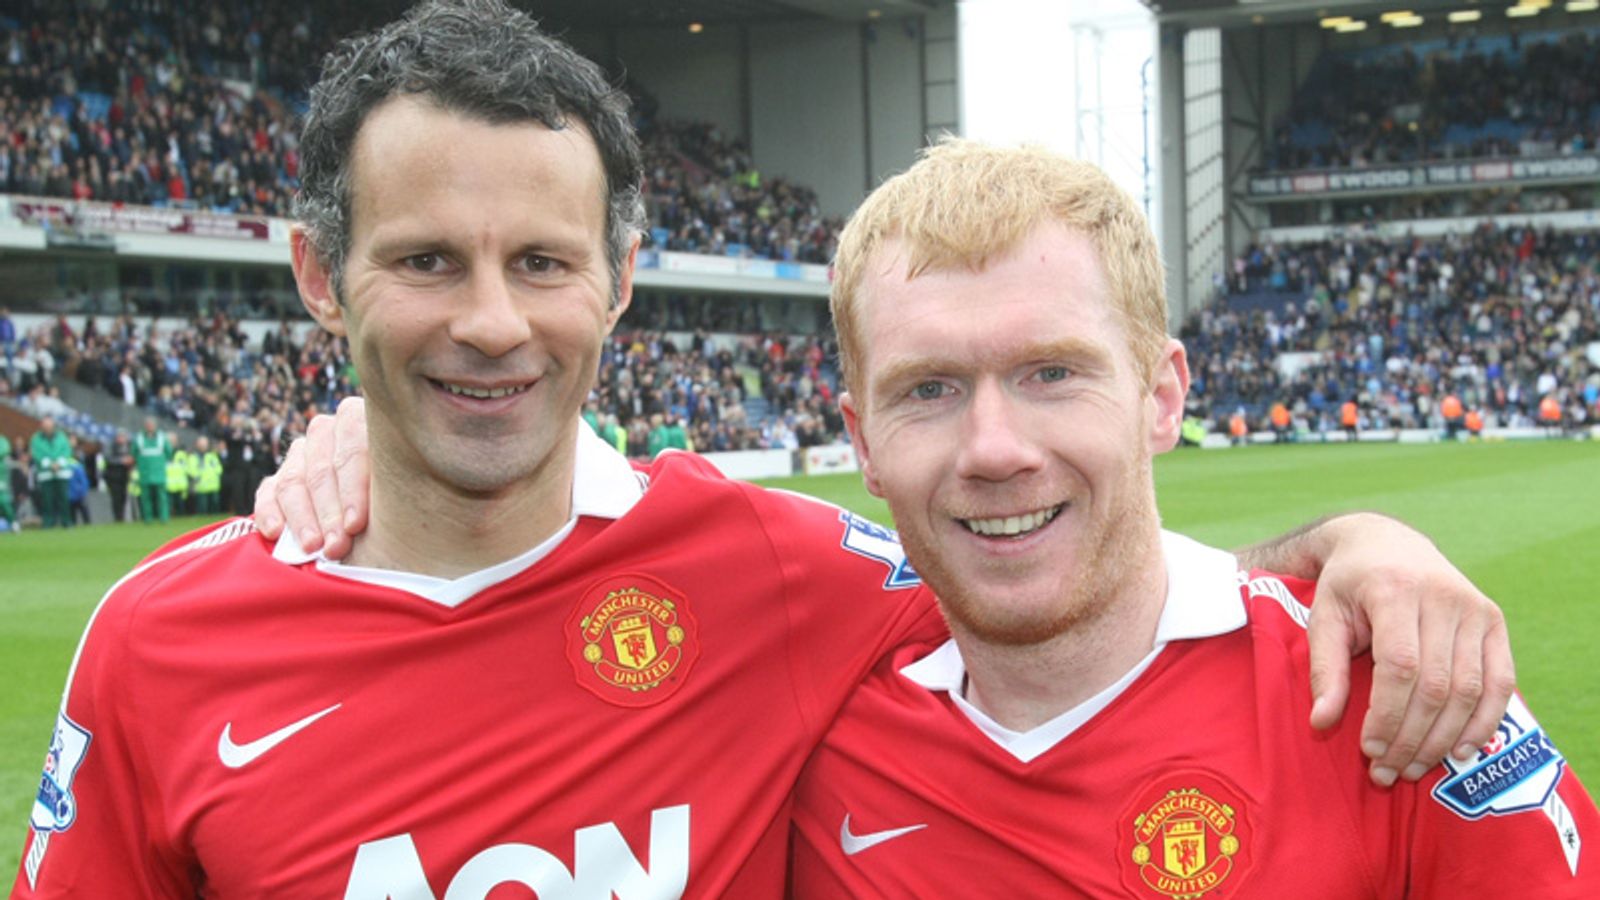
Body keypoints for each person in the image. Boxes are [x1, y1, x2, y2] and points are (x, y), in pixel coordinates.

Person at [14, 3, 1514, 896]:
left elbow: (1068, 591)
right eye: (422, 263)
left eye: (541, 262)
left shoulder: (776, 573)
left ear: (619, 277)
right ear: (319, 276)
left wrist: (1351, 551)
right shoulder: (160, 646)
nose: (490, 322)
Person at [786, 140, 1597, 896]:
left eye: (1052, 373)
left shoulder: (1394, 698)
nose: (993, 449)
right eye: (928, 389)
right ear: (864, 442)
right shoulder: (801, 728)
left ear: (1163, 397)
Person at [28, 417, 71, 528]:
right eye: (45, 426)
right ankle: (48, 522)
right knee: (47, 500)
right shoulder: (36, 439)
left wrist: (59, 463)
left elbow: (67, 451)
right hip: (45, 474)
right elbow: (36, 454)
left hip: (61, 472)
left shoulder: (61, 437)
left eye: (49, 426)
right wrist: (49, 464)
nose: (47, 428)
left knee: (63, 498)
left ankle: (66, 521)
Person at [132, 416, 172, 523]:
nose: (150, 427)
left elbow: (169, 452)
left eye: (151, 425)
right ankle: (148, 518)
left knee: (161, 497)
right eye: (148, 425)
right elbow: (134, 453)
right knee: (146, 497)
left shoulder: (161, 437)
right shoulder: (139, 438)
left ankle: (164, 517)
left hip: (159, 472)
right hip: (145, 472)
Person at [102, 432, 134, 523]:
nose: (122, 439)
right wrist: (122, 461)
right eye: (120, 437)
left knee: (123, 496)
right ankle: (118, 517)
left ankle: (122, 516)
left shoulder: (129, 446)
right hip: (113, 475)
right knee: (116, 497)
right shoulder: (110, 445)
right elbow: (108, 458)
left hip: (125, 475)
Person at [192, 435, 223, 515]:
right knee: (202, 507)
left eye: (204, 444)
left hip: (213, 484)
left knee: (214, 504)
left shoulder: (212, 456)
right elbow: (191, 469)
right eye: (201, 444)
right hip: (201, 486)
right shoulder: (194, 457)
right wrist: (197, 476)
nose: (203, 446)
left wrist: (215, 474)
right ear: (197, 445)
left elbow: (219, 468)